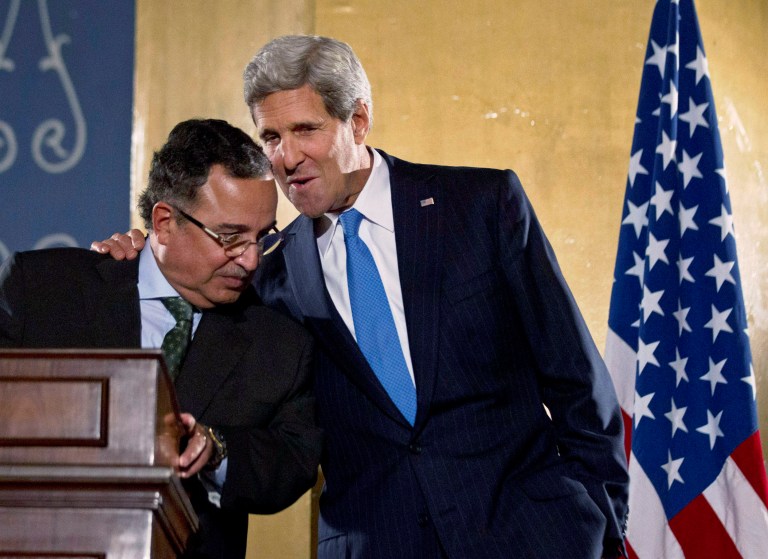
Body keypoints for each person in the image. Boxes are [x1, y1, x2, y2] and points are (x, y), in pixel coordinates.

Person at [94, 37, 629, 558]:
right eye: (271, 137)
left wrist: (599, 525)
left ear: (358, 121)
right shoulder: (265, 274)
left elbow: (576, 380)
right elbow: (192, 330)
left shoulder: (479, 207)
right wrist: (146, 255)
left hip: (532, 536)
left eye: (306, 129)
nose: (287, 157)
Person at [1, 118, 323, 559]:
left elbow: (292, 460)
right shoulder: (42, 289)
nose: (250, 261)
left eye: (262, 238)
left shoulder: (278, 346)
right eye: (229, 238)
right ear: (165, 222)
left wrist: (217, 449)